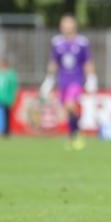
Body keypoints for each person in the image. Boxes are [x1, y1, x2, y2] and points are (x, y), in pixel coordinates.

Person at [41, 14, 98, 150]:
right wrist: (49, 80)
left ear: (74, 25)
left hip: (76, 80)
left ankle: (76, 136)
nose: (66, 26)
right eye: (64, 24)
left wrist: (91, 78)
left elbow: (87, 61)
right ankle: (73, 135)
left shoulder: (82, 42)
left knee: (70, 105)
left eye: (69, 23)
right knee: (67, 109)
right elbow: (54, 62)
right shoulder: (57, 42)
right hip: (63, 81)